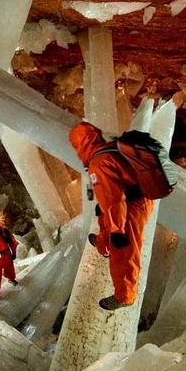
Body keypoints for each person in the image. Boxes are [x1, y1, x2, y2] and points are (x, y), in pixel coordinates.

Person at [69, 121, 155, 311]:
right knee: (105, 218)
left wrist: (117, 230)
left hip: (134, 202)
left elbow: (115, 200)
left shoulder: (99, 162)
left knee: (125, 250)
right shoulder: (104, 152)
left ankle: (125, 296)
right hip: (130, 195)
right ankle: (103, 243)